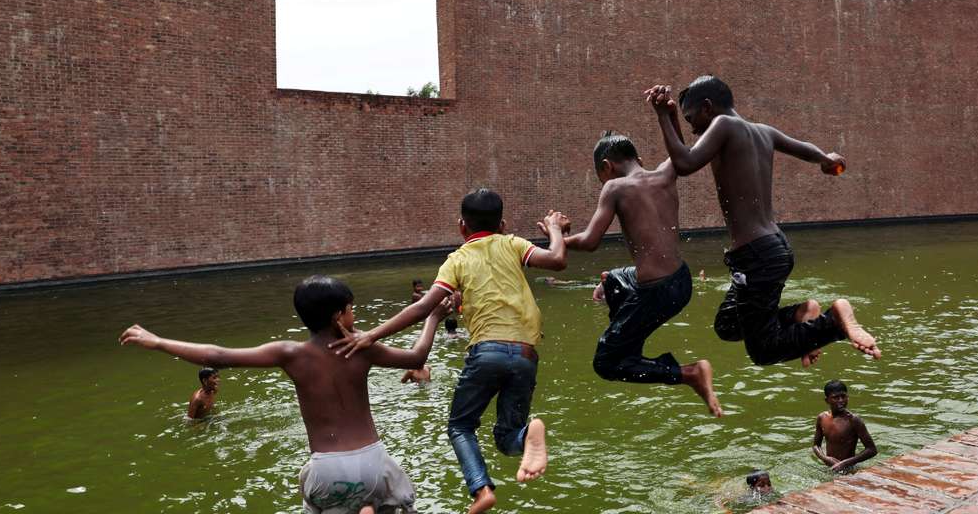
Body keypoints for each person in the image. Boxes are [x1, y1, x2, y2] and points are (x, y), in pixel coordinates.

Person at [119, 275, 447, 514]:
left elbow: (216, 354)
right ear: (338, 316)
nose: (354, 315)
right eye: (351, 309)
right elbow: (417, 357)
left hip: (326, 470)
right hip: (374, 463)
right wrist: (431, 317)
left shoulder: (290, 353)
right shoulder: (362, 348)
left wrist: (159, 341)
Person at [331, 188, 568, 514]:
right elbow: (556, 259)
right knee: (507, 437)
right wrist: (554, 229)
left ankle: (481, 490)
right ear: (502, 224)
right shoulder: (513, 243)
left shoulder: (457, 259)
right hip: (526, 353)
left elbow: (423, 308)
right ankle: (529, 434)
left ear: (461, 227)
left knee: (460, 426)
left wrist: (371, 334)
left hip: (487, 351)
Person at [644, 76, 880, 366]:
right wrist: (826, 159)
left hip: (757, 255)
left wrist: (661, 118)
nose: (693, 129)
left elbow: (684, 164)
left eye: (691, 119)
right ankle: (802, 315)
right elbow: (804, 148)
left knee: (763, 351)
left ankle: (835, 320)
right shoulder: (762, 131)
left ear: (708, 107)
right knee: (728, 324)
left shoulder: (723, 125)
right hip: (770, 249)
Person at [565, 131, 722, 417]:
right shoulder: (665, 172)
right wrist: (667, 114)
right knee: (612, 279)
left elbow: (589, 241)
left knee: (606, 363)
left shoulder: (615, 187)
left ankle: (689, 373)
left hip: (657, 292)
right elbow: (683, 151)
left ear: (606, 167)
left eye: (601, 176)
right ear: (638, 159)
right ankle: (625, 333)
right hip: (681, 281)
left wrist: (556, 239)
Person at [812, 380, 877, 473]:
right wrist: (825, 459)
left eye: (843, 396)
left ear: (848, 397)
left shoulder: (854, 420)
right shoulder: (822, 418)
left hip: (848, 470)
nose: (841, 401)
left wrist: (844, 463)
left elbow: (872, 450)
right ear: (827, 400)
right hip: (829, 467)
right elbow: (816, 445)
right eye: (836, 397)